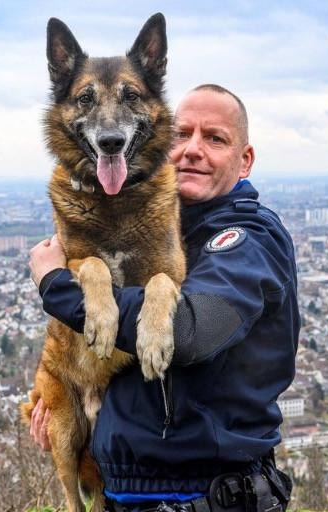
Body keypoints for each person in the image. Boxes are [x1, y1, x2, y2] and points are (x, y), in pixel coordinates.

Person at [28, 84, 299, 512]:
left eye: (215, 139)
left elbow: (189, 334)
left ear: (245, 160)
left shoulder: (248, 239)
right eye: (180, 134)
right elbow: (114, 365)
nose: (192, 150)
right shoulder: (152, 232)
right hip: (124, 496)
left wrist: (57, 285)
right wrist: (71, 425)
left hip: (206, 496)